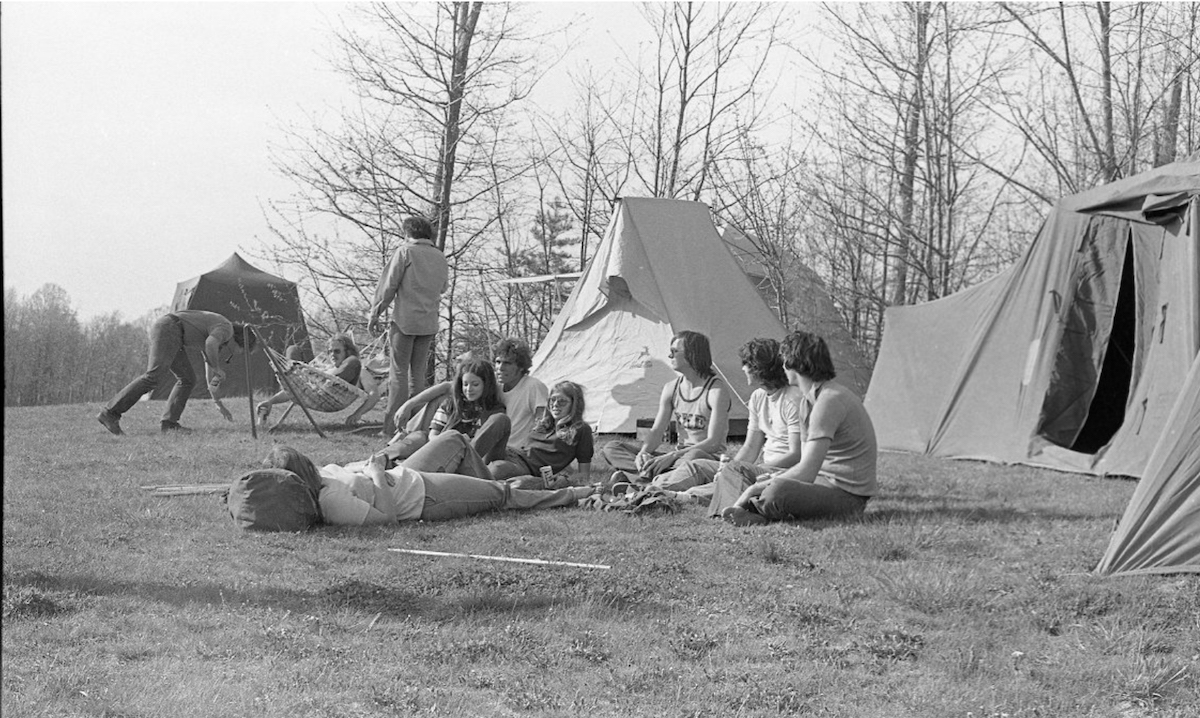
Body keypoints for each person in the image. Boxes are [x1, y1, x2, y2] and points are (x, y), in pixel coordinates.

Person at [719, 330, 878, 527]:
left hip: (847, 495)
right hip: (821, 482)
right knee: (748, 474)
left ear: (795, 363)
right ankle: (751, 511)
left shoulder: (829, 401)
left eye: (785, 361)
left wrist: (755, 488)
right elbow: (806, 462)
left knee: (777, 490)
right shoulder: (809, 401)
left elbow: (807, 471)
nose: (783, 367)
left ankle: (747, 506)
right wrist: (773, 476)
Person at [264, 446, 594, 525]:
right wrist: (377, 473)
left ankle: (542, 483)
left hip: (410, 476)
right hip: (425, 497)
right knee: (500, 494)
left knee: (457, 443)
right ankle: (571, 494)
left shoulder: (325, 477)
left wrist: (373, 464)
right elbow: (388, 520)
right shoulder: (332, 500)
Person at [645, 338, 806, 500]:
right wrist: (729, 468)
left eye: (747, 364)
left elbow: (796, 454)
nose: (743, 369)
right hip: (760, 468)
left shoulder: (792, 399)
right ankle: (651, 489)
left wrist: (743, 470)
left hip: (783, 470)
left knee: (735, 479)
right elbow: (751, 446)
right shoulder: (758, 397)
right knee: (697, 465)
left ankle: (683, 497)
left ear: (759, 368)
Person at [97, 309, 255, 435]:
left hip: (173, 331)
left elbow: (209, 369)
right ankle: (110, 413)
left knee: (188, 379)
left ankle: (169, 424)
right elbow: (210, 345)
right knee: (153, 377)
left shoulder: (219, 335)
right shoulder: (226, 329)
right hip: (170, 328)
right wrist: (217, 368)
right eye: (243, 350)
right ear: (241, 340)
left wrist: (218, 403)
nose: (239, 353)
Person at [600, 330, 730, 482]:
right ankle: (655, 476)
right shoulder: (671, 388)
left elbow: (713, 443)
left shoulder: (716, 390)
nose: (670, 356)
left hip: (703, 458)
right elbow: (657, 431)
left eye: (675, 352)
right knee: (612, 448)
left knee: (694, 457)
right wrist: (643, 453)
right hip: (677, 459)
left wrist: (673, 456)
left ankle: (645, 478)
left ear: (692, 354)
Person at [386, 338, 549, 457]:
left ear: (521, 366)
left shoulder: (533, 386)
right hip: (479, 444)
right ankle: (399, 441)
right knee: (438, 402)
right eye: (498, 362)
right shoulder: (495, 384)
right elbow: (448, 387)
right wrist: (408, 405)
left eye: (507, 363)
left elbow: (543, 421)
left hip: (508, 449)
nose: (500, 368)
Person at [367, 215, 449, 437]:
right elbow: (443, 287)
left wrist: (375, 313)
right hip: (429, 322)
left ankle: (391, 427)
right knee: (418, 376)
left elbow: (389, 286)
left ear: (409, 233)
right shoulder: (440, 257)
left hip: (404, 321)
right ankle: (414, 424)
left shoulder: (405, 252)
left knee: (399, 374)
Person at [489, 381, 594, 487]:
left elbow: (584, 475)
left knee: (497, 468)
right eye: (552, 400)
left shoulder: (580, 429)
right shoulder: (544, 425)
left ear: (574, 405)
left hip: (526, 467)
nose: (555, 404)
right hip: (512, 453)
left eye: (562, 401)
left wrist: (565, 479)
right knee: (499, 419)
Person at [255, 333, 363, 427]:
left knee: (354, 361)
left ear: (347, 352)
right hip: (314, 391)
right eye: (330, 352)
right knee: (293, 349)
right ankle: (290, 371)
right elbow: (296, 389)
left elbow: (374, 394)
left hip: (334, 396)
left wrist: (357, 414)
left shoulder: (357, 367)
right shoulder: (325, 367)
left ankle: (324, 380)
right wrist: (270, 402)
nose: (332, 355)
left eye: (337, 351)